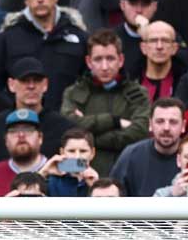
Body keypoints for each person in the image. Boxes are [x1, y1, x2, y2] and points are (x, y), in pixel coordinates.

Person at [60, 29, 151, 177]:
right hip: (82, 174)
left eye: (110, 59)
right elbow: (68, 130)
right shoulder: (73, 93)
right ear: (89, 62)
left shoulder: (138, 93)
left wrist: (90, 138)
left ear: (120, 60)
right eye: (98, 59)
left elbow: (139, 133)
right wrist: (114, 121)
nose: (104, 67)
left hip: (127, 172)